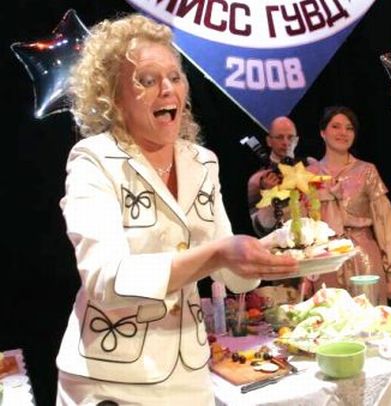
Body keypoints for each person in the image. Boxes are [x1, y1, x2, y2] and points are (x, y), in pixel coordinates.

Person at [56, 14, 298, 405]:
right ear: (113, 96)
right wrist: (219, 253)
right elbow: (105, 280)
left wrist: (270, 254)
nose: (167, 88)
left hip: (189, 374)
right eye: (147, 80)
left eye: (174, 77)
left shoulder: (202, 162)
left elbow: (233, 278)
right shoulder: (93, 159)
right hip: (110, 379)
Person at [303, 106, 391, 305]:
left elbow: (385, 221)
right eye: (336, 126)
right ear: (322, 132)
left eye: (349, 128)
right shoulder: (309, 175)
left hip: (364, 256)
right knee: (330, 317)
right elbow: (303, 227)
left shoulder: (366, 171)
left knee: (369, 316)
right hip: (326, 260)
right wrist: (305, 275)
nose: (343, 132)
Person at [247, 116, 301, 236]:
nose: (286, 142)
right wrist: (269, 195)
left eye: (290, 137)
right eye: (279, 137)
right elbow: (260, 229)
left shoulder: (310, 166)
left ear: (296, 140)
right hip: (280, 243)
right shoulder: (257, 180)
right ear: (269, 141)